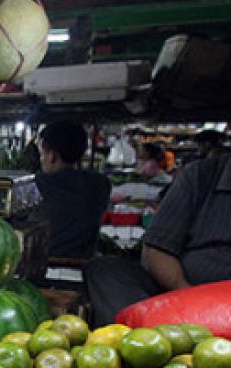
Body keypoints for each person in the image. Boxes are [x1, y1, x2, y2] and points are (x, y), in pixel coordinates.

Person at [85, 151, 231, 327]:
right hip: (180, 295)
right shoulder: (201, 175)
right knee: (105, 269)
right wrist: (188, 297)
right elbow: (157, 249)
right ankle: (145, 338)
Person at [33, 121, 111, 260]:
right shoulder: (101, 184)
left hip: (41, 266)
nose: (41, 159)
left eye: (42, 154)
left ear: (52, 156)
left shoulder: (36, 184)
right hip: (84, 267)